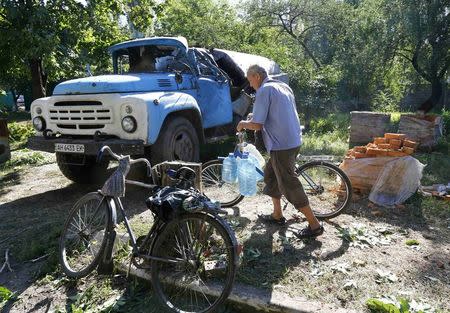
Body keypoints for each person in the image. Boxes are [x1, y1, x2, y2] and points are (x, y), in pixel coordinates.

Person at [236, 64, 324, 238]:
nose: (250, 84)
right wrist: (255, 118)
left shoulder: (263, 91)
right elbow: (276, 113)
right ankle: (277, 215)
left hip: (280, 145)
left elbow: (257, 126)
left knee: (289, 183)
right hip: (293, 140)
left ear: (257, 77)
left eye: (250, 80)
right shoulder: (282, 86)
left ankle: (315, 225)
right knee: (270, 176)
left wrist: (243, 124)